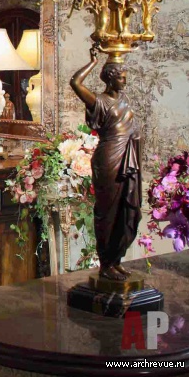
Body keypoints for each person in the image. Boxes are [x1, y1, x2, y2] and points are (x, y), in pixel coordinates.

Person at [70, 51, 141, 281]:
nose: (125, 81)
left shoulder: (124, 99)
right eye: (121, 77)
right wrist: (93, 62)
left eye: (125, 77)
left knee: (124, 211)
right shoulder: (98, 101)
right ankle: (105, 264)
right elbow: (75, 82)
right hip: (109, 158)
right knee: (107, 212)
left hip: (127, 157)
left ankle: (115, 260)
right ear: (110, 78)